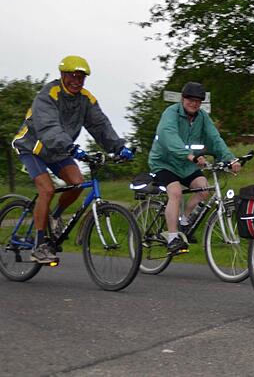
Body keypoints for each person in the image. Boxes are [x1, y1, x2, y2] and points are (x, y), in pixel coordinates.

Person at [11, 55, 133, 264]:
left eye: (82, 77)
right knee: (47, 190)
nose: (77, 80)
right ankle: (39, 246)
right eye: (73, 76)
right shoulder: (49, 94)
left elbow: (100, 125)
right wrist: (71, 147)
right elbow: (49, 127)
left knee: (77, 184)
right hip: (33, 147)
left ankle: (55, 216)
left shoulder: (86, 99)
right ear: (63, 75)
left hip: (59, 150)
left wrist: (119, 147)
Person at [148, 82, 240, 254]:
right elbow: (169, 137)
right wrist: (190, 156)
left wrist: (230, 159)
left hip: (186, 165)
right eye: (190, 99)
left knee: (203, 188)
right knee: (175, 192)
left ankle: (184, 222)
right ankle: (172, 238)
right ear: (183, 99)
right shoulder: (171, 113)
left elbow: (215, 138)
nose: (194, 103)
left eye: (198, 101)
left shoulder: (202, 117)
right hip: (164, 162)